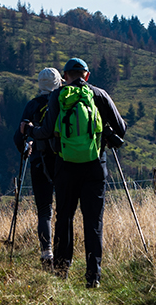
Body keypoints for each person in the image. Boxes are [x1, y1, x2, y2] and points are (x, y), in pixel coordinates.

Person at [34, 57, 127, 288]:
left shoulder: (58, 96)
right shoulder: (100, 95)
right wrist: (104, 132)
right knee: (93, 221)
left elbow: (46, 131)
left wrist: (29, 130)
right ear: (86, 75)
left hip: (65, 167)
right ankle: (93, 277)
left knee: (64, 217)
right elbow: (122, 129)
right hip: (95, 166)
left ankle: (62, 272)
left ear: (65, 76)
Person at [14, 67, 62, 267]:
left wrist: (26, 151)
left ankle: (46, 253)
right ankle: (63, 252)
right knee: (64, 210)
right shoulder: (62, 102)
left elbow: (19, 136)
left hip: (39, 163)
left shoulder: (32, 105)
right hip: (63, 161)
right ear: (59, 82)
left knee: (44, 210)